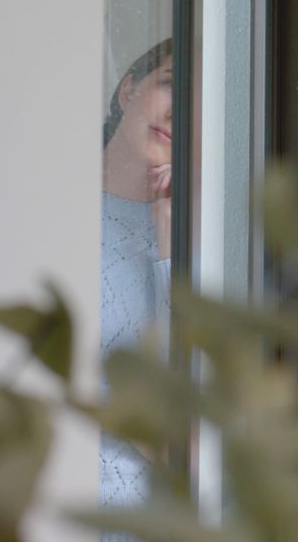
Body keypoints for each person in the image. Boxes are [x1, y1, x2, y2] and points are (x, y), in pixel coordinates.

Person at [99, 38, 174, 534]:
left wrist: (172, 249)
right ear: (129, 89)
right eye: (171, 85)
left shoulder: (202, 235)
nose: (179, 114)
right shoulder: (43, 205)